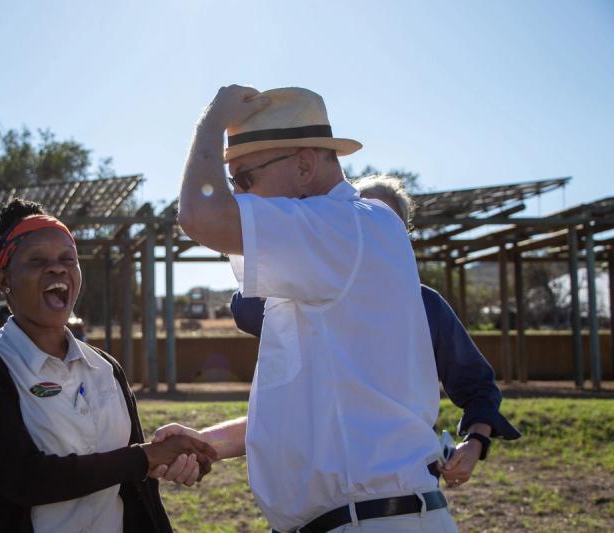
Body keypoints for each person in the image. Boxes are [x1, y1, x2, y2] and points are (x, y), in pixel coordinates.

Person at [168, 85, 457, 532]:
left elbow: (200, 216)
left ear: (305, 165)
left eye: (244, 179)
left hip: (371, 521)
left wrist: (210, 122)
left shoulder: (350, 227)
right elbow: (311, 409)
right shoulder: (329, 249)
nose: (239, 195)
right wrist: (207, 442)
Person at [222, 175, 520, 489]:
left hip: (403, 486)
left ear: (401, 236)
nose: (372, 227)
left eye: (385, 221)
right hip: (322, 487)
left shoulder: (425, 304)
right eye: (360, 215)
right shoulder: (308, 301)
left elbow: (477, 386)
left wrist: (475, 444)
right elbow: (246, 310)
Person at [0, 198, 217, 533]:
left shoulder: (105, 368)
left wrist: (177, 460)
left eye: (67, 259)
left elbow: (133, 482)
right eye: (37, 260)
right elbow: (25, 479)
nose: (57, 268)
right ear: (3, 280)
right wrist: (146, 457)